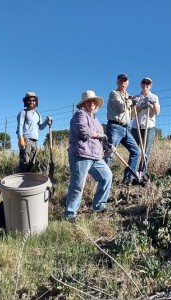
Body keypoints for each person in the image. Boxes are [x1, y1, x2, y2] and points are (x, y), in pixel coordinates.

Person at [64, 90, 112, 220]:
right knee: (78, 185)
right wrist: (98, 135)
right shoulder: (80, 115)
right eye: (88, 101)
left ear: (96, 105)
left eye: (93, 101)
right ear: (84, 104)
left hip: (96, 157)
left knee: (106, 177)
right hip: (80, 155)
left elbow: (101, 140)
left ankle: (99, 207)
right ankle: (70, 214)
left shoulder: (97, 121)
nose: (91, 103)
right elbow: (83, 131)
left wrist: (107, 146)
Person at [106, 74, 141, 185]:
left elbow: (130, 115)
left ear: (128, 83)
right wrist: (132, 101)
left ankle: (128, 178)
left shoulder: (129, 96)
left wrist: (135, 105)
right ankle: (103, 179)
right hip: (114, 127)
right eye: (121, 81)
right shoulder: (114, 93)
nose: (123, 83)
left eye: (125, 81)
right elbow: (122, 107)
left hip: (125, 128)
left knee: (136, 151)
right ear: (117, 82)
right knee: (109, 153)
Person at [131, 77, 160, 181]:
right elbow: (131, 114)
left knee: (145, 151)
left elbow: (157, 112)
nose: (145, 85)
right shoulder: (136, 98)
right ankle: (131, 174)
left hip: (149, 127)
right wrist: (142, 106)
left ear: (150, 85)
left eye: (148, 83)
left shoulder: (154, 96)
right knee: (134, 150)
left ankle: (142, 174)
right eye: (144, 83)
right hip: (136, 127)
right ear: (141, 84)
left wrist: (152, 103)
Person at [16, 92, 52, 173]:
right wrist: (21, 139)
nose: (32, 102)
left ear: (36, 102)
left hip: (35, 141)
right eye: (30, 100)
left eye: (33, 100)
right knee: (24, 161)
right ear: (26, 101)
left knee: (31, 162)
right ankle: (20, 180)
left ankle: (27, 180)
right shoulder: (23, 113)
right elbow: (20, 126)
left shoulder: (38, 114)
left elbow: (41, 127)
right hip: (26, 139)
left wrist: (47, 121)